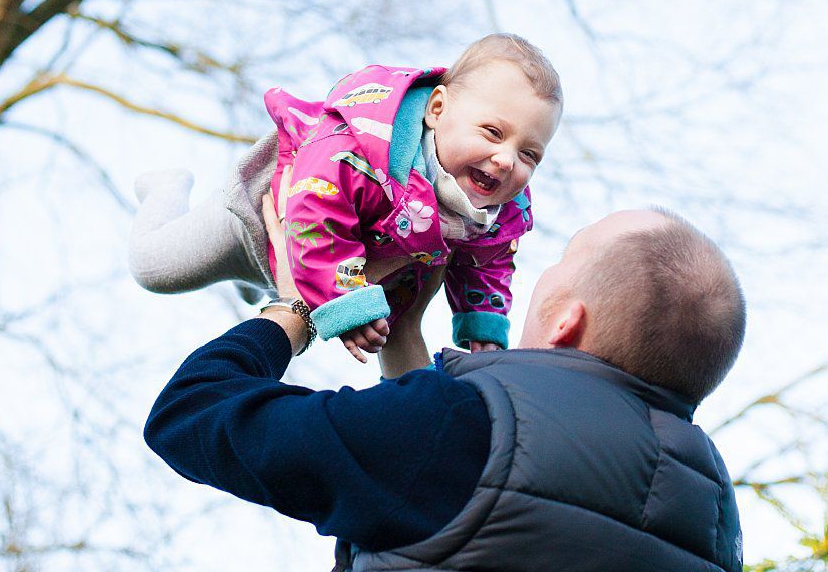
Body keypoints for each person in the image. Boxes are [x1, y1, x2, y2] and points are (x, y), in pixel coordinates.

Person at [144, 199, 747, 572]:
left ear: (566, 321)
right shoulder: (712, 508)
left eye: (564, 258)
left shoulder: (465, 428)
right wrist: (404, 346)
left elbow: (192, 415)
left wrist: (295, 307)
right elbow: (470, 539)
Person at [130, 33, 562, 361]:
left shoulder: (496, 210)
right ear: (437, 109)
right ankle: (166, 187)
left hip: (335, 266)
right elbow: (318, 212)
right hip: (257, 225)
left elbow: (487, 262)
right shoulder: (364, 149)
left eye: (529, 154)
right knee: (154, 268)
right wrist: (345, 301)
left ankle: (251, 283)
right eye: (492, 132)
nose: (507, 160)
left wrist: (482, 324)